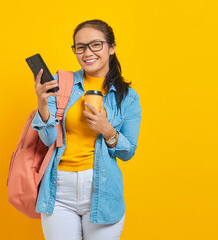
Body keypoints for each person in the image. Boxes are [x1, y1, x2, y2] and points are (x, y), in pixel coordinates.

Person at [31, 19, 142, 240]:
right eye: (80, 47)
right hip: (58, 189)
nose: (87, 52)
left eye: (95, 45)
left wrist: (107, 129)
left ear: (111, 48)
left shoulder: (128, 98)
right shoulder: (61, 83)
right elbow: (47, 139)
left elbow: (128, 152)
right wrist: (42, 104)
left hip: (103, 191)